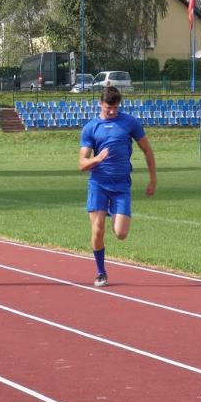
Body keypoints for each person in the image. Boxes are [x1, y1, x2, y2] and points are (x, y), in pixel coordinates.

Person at [79, 86, 156, 288]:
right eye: (108, 108)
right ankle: (101, 272)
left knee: (121, 234)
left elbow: (147, 150)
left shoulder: (129, 122)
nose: (112, 112)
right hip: (98, 184)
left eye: (115, 108)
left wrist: (153, 179)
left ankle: (113, 211)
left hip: (122, 184)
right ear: (100, 104)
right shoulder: (91, 127)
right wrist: (98, 158)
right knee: (98, 229)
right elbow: (82, 164)